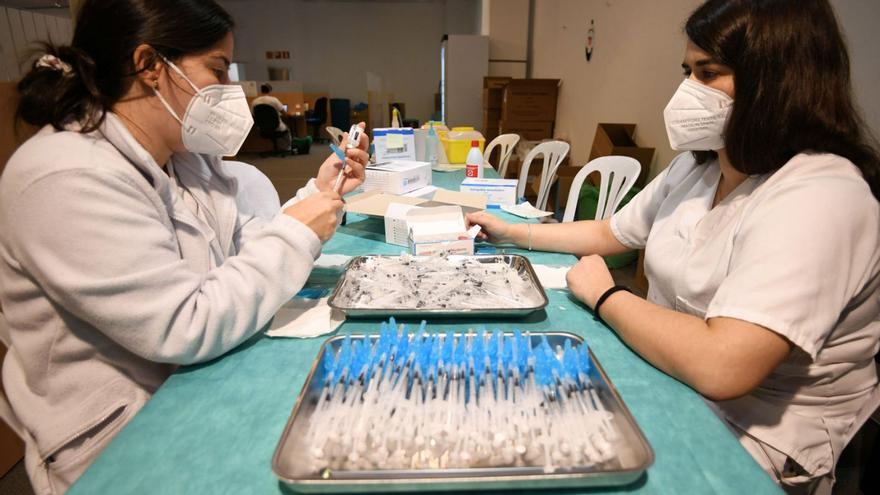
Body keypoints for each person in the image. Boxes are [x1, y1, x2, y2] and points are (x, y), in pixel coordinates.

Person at [467, 0, 880, 493]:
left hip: (758, 433)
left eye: (709, 73)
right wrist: (515, 232)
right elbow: (611, 234)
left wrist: (607, 296)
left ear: (778, 81)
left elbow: (724, 363)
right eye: (688, 71)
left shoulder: (822, 194)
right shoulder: (700, 166)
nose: (687, 91)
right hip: (667, 375)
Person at [0, 1, 368, 493]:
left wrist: (316, 196)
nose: (230, 91)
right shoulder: (65, 174)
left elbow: (245, 248)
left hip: (192, 384)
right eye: (218, 69)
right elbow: (184, 323)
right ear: (150, 65)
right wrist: (300, 230)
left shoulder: (184, 160)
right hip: (120, 436)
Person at [250, 83, 292, 151]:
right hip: (276, 126)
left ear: (261, 91)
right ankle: (288, 148)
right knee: (287, 129)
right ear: (269, 90)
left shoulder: (254, 101)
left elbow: (252, 116)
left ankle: (273, 148)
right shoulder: (274, 100)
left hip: (262, 128)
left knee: (271, 132)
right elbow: (284, 113)